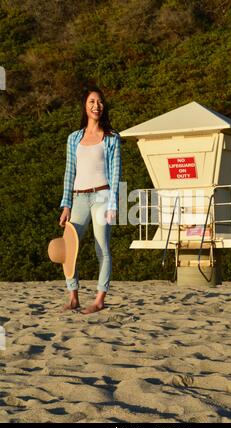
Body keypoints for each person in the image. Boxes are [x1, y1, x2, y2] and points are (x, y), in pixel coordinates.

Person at [59, 85, 121, 314]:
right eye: (92, 102)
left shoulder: (112, 138)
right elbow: (69, 173)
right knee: (68, 247)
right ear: (85, 107)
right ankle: (73, 295)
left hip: (103, 195)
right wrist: (66, 205)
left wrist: (113, 204)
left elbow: (116, 174)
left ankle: (99, 299)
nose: (97, 106)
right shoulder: (73, 138)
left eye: (100, 102)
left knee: (101, 247)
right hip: (78, 198)